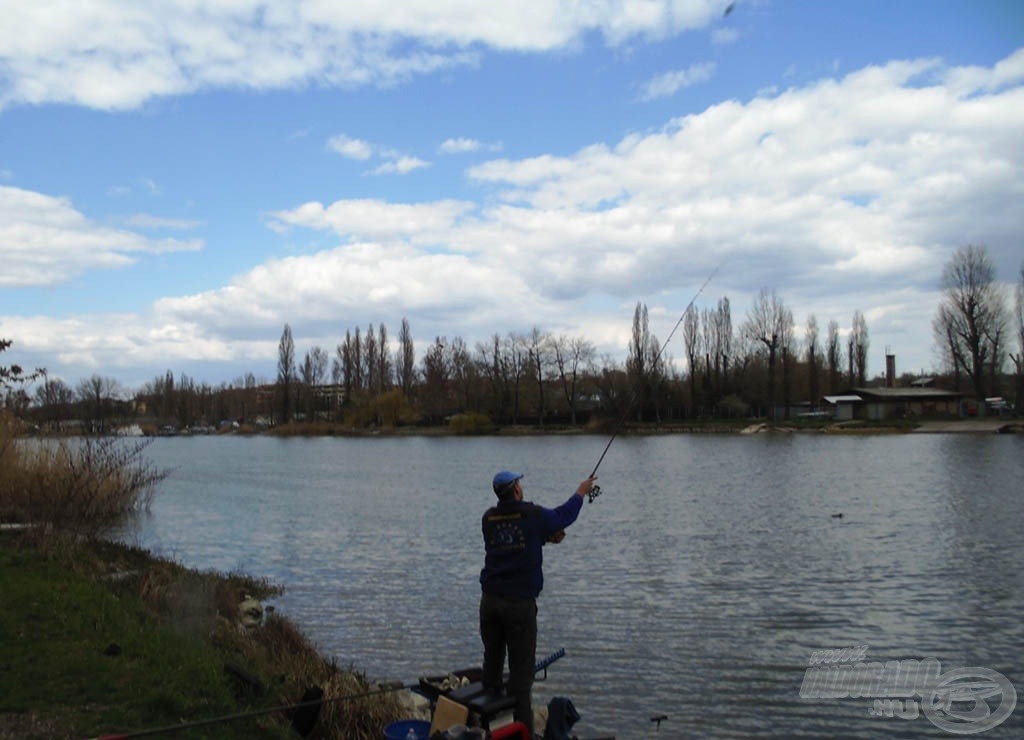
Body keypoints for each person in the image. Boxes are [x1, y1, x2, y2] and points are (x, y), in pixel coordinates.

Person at [479, 470, 596, 736]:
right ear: (517, 490)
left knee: (492, 668)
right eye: (520, 484)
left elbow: (509, 544)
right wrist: (581, 492)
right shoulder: (532, 515)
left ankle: (492, 728)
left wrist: (543, 538)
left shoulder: (488, 518)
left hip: (489, 603)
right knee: (521, 677)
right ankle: (523, 734)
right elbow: (563, 516)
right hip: (518, 607)